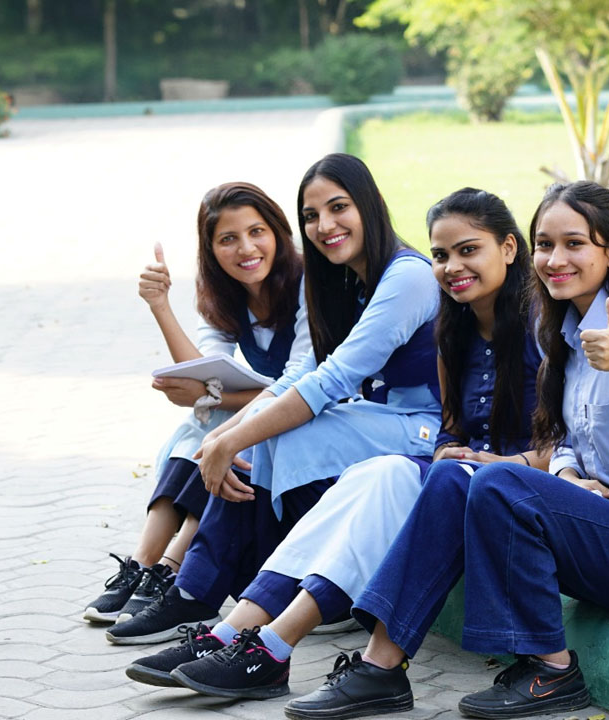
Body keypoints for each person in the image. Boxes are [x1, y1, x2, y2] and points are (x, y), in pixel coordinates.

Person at [282, 180, 609, 720]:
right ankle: (380, 668)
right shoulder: (565, 326)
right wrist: (566, 477)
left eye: (574, 244)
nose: (555, 259)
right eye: (545, 244)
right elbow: (565, 441)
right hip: (608, 520)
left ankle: (551, 670)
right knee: (451, 477)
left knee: (498, 482)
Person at [124, 188, 545, 701]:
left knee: (332, 458)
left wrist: (504, 460)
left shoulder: (539, 324)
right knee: (372, 474)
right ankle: (236, 632)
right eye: (442, 254)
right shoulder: (454, 324)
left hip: (503, 477)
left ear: (508, 247)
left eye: (468, 250)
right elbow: (451, 426)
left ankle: (269, 644)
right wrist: (447, 450)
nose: (452, 267)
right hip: (452, 468)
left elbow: (569, 440)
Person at [106, 153, 442, 645]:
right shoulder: (347, 279)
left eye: (338, 207)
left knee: (267, 437)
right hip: (381, 418)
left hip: (426, 427)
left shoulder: (407, 276)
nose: (325, 225)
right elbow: (300, 376)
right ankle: (214, 590)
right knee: (250, 433)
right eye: (312, 215)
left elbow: (332, 380)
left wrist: (234, 439)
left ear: (370, 203)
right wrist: (222, 436)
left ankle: (200, 591)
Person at [83, 182, 309, 624]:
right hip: (277, 405)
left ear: (279, 232)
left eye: (257, 232)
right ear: (211, 250)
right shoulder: (226, 295)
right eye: (228, 239)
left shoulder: (308, 286)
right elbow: (206, 371)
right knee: (208, 419)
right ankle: (145, 564)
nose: (246, 248)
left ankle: (169, 567)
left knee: (220, 420)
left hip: (323, 411)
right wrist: (160, 306)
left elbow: (300, 384)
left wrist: (211, 395)